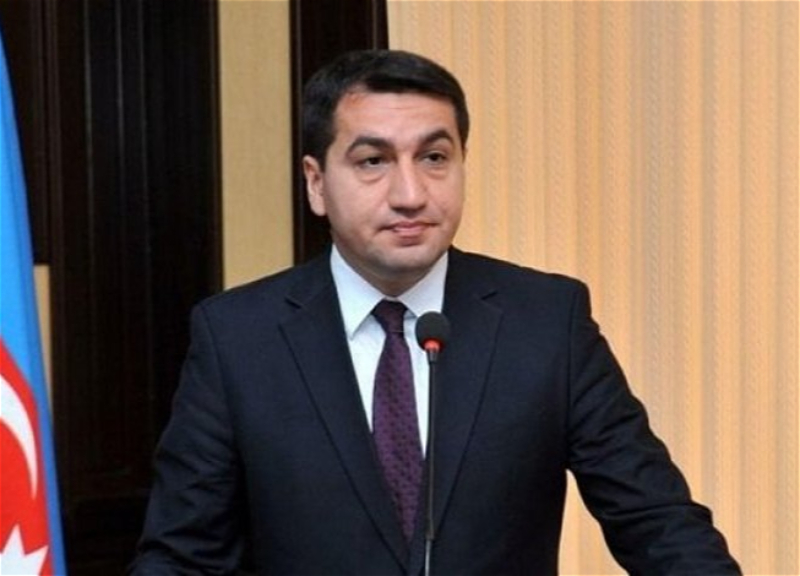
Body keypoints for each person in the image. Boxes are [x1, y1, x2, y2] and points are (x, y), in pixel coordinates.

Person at [130, 49, 741, 575]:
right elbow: (182, 556)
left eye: (434, 158)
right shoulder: (238, 338)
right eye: (373, 161)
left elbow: (658, 522)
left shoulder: (546, 321)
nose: (411, 194)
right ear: (316, 183)